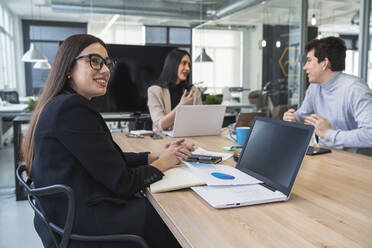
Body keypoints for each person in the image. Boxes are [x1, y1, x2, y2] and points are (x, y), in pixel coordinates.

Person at [21, 34, 194, 248]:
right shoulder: (72, 108)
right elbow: (123, 183)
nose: (105, 70)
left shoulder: (60, 104)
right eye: (95, 61)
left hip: (66, 216)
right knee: (173, 215)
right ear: (68, 68)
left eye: (106, 63)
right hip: (84, 225)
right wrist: (164, 164)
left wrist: (154, 156)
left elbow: (109, 161)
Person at [283, 36, 372, 156]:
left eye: (309, 61)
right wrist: (292, 118)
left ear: (324, 63)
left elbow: (370, 134)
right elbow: (302, 116)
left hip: (355, 164)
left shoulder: (355, 89)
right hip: (326, 156)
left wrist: (328, 133)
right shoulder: (315, 87)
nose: (305, 67)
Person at [147, 49, 202, 132]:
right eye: (184, 63)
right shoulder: (154, 91)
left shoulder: (193, 91)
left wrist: (176, 125)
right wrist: (181, 106)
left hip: (188, 138)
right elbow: (160, 125)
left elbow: (200, 121)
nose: (187, 68)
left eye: (189, 65)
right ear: (173, 64)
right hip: (162, 141)